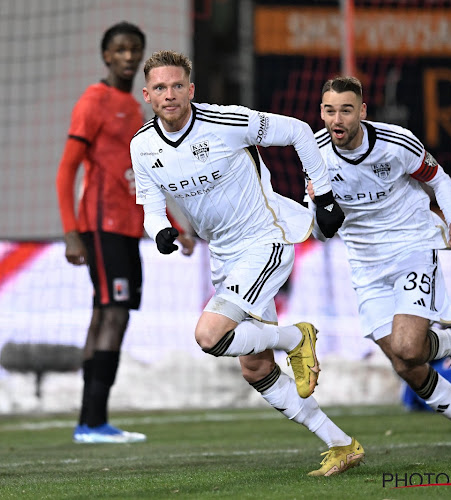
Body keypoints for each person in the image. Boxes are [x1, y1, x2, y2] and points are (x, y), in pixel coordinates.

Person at [131, 50, 364, 477]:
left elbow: (297, 131)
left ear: (191, 90)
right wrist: (159, 230)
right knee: (255, 366)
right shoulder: (143, 147)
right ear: (147, 95)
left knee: (209, 335)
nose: (169, 94)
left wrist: (325, 194)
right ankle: (341, 444)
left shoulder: (226, 122)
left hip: (265, 240)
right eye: (160, 88)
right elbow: (149, 205)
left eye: (177, 85)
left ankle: (295, 337)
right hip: (222, 254)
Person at [307, 75, 451, 459]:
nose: (337, 119)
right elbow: (319, 228)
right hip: (365, 266)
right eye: (329, 110)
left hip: (412, 248)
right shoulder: (314, 153)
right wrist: (319, 217)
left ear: (362, 111)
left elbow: (439, 178)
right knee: (406, 364)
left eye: (346, 110)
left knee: (408, 345)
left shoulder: (396, 143)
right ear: (321, 112)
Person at [56, 23, 194, 445]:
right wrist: (71, 232)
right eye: (120, 50)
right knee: (111, 315)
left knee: (109, 314)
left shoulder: (136, 107)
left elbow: (143, 177)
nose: (129, 56)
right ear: (106, 57)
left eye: (135, 49)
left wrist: (170, 223)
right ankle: (93, 421)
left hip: (128, 226)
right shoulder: (94, 101)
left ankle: (91, 421)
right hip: (101, 225)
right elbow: (67, 170)